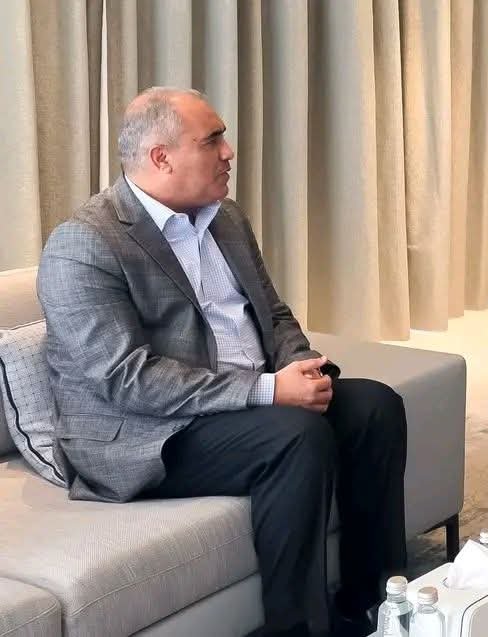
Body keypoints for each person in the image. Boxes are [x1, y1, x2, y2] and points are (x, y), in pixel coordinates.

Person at [36, 87, 404, 637]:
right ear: (161, 157)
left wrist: (302, 368)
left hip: (242, 403)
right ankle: (298, 629)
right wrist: (269, 391)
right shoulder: (84, 244)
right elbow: (126, 379)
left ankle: (375, 607)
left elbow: (272, 313)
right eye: (212, 140)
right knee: (294, 435)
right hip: (147, 431)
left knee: (375, 405)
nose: (229, 152)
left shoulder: (225, 217)